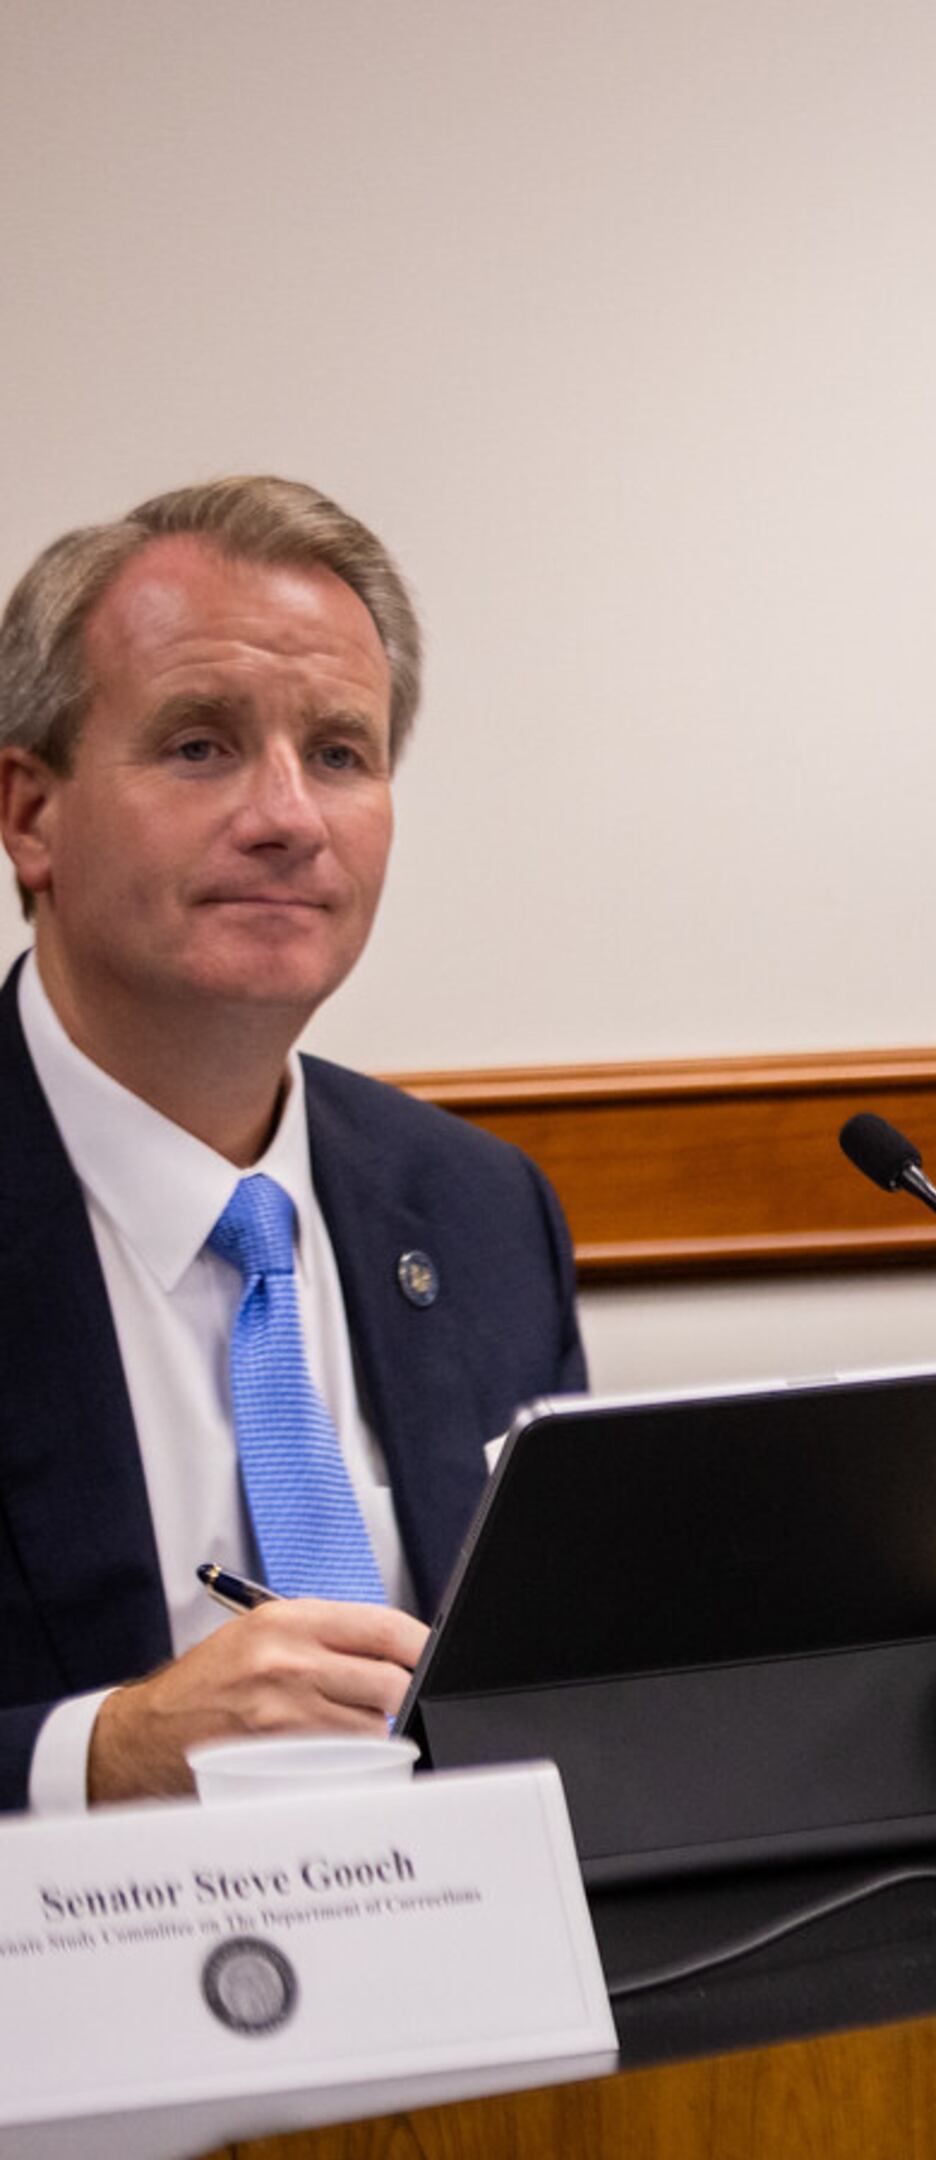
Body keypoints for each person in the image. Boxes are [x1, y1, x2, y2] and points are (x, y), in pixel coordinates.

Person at [0, 477, 585, 1808]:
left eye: (338, 753)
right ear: (31, 814)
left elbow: (559, 1686)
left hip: (473, 1963)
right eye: (201, 745)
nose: (287, 816)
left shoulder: (485, 1213)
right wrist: (99, 1757)